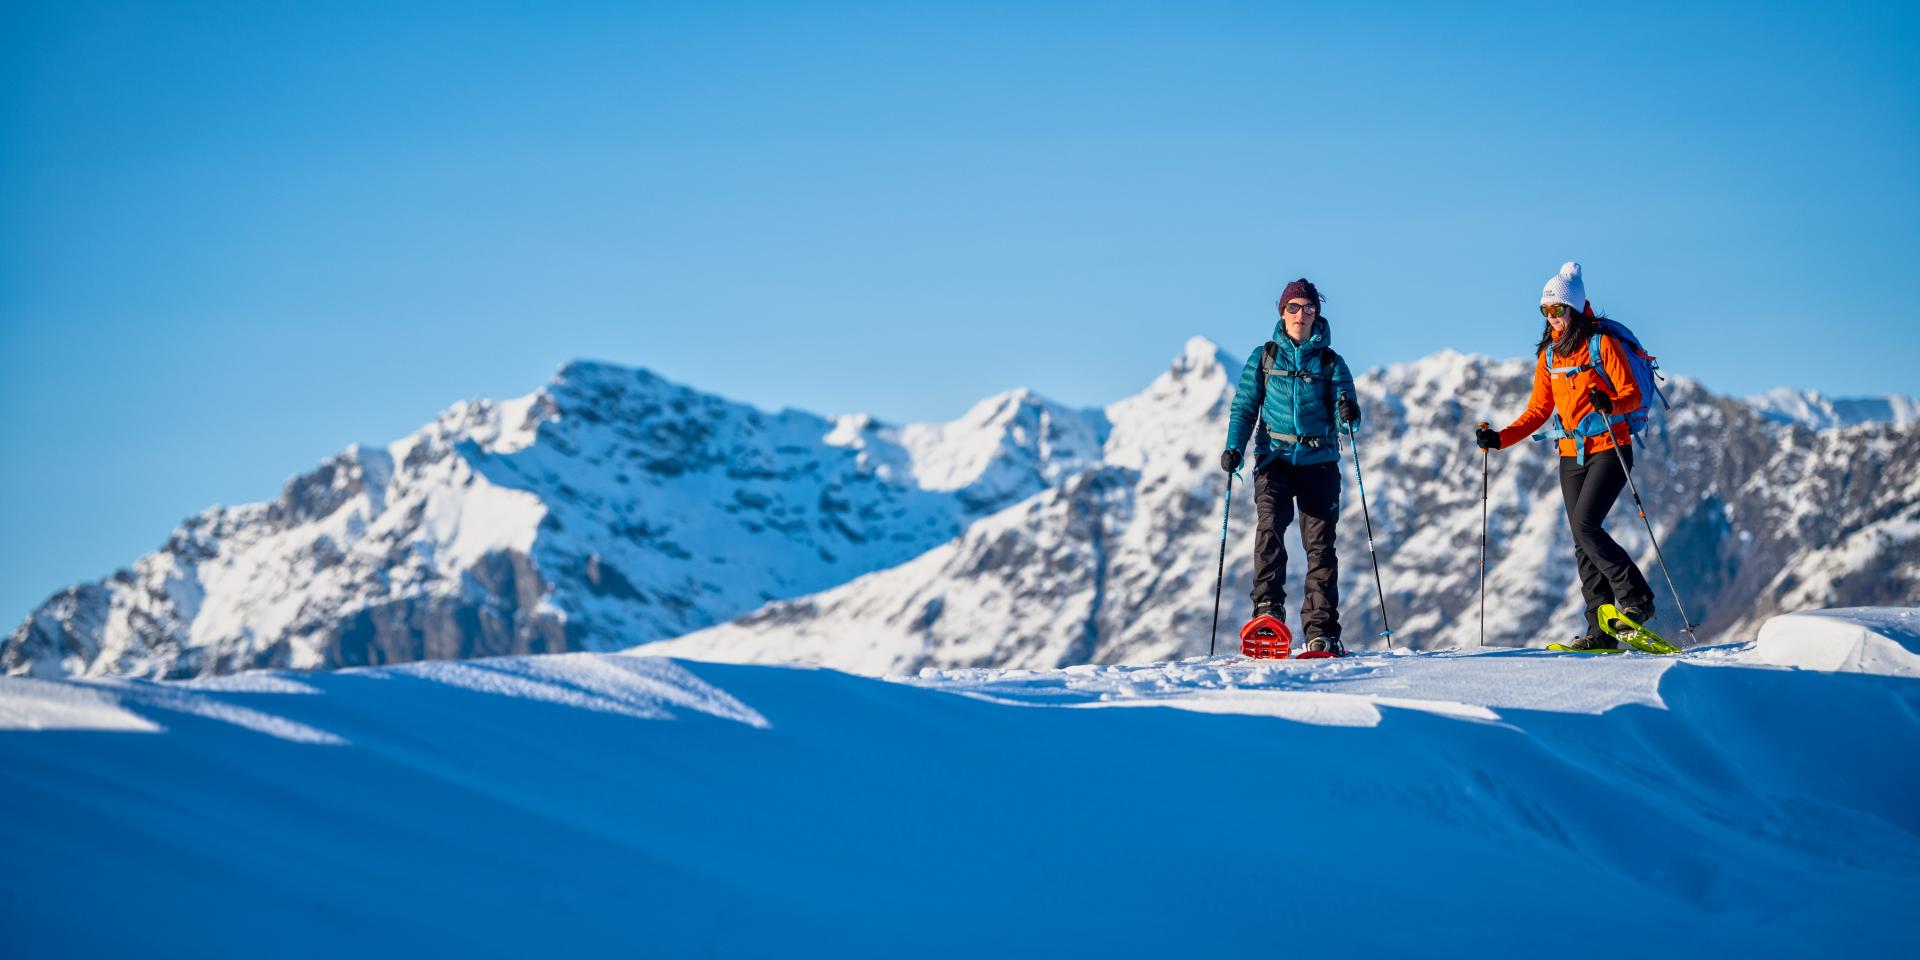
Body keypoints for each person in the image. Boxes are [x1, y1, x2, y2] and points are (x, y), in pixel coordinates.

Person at [1476, 262, 1656, 650]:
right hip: (1570, 453)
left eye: (1556, 309)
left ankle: (1637, 599)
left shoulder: (1601, 344)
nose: (1551, 318)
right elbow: (1537, 412)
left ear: (1573, 308)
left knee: (1586, 526)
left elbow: (1632, 394)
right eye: (1545, 311)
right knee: (1580, 538)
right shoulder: (1551, 358)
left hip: (1610, 446)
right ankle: (1600, 629)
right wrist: (1499, 439)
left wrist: (1609, 402)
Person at [1221, 278, 1361, 656]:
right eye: (1294, 308)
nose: (1302, 314)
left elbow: (1349, 416)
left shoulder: (1331, 362)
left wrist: (1348, 413)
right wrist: (1234, 448)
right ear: (1282, 313)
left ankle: (1321, 631)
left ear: (1318, 314)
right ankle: (1267, 614)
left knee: (1320, 547)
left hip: (1319, 463)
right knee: (1270, 529)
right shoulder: (1264, 357)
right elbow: (1245, 406)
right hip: (1274, 460)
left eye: (1309, 308)